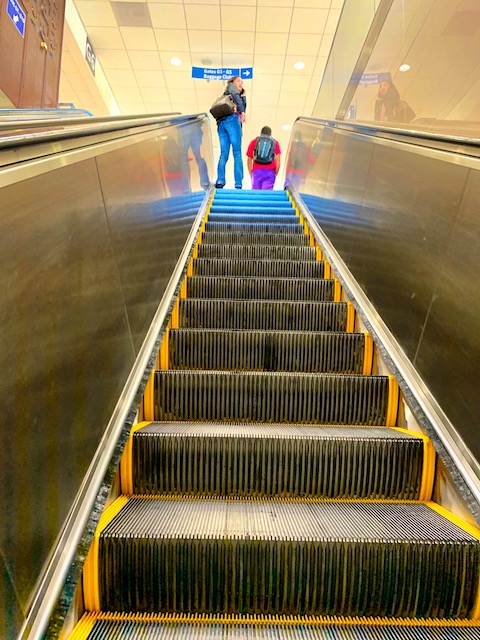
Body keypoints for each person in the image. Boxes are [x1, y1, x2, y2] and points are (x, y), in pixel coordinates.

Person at [215, 76, 246, 189]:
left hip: (221, 124)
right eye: (239, 81)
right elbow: (241, 108)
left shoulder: (227, 93)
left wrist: (243, 96)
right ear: (232, 82)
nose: (241, 84)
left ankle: (220, 180)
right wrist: (242, 111)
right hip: (232, 121)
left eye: (242, 82)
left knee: (224, 154)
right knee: (237, 153)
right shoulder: (232, 88)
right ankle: (238, 183)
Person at [246, 126, 281, 190]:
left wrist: (251, 173)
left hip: (257, 171)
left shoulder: (254, 141)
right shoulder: (275, 143)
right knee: (266, 195)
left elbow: (249, 159)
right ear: (270, 134)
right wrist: (275, 173)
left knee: (256, 194)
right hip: (270, 172)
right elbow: (277, 160)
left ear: (261, 133)